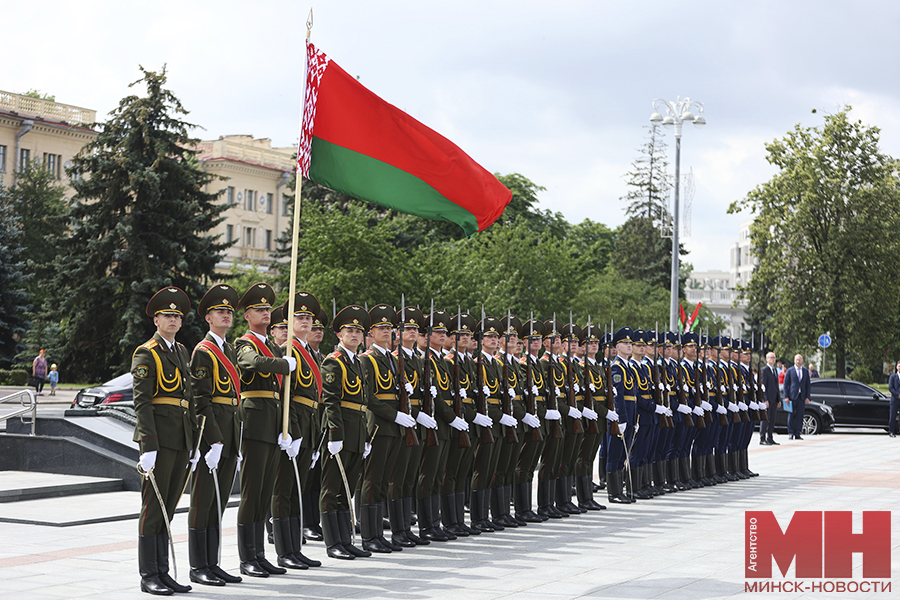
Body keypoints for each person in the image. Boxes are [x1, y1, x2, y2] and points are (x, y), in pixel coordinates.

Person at [132, 286, 197, 595]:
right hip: (158, 440)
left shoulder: (182, 351)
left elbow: (188, 399)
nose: (173, 320)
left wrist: (194, 442)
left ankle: (163, 571)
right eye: (167, 315)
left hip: (181, 439)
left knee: (168, 507)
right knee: (153, 509)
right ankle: (148, 575)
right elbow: (142, 402)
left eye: (177, 316)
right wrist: (148, 445)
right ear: (156, 320)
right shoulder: (147, 352)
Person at [234, 283, 296, 578]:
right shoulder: (244, 342)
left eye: (268, 309)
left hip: (272, 422)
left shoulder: (271, 345)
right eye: (259, 309)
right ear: (247, 315)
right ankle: (247, 557)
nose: (266, 313)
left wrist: (286, 428)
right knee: (251, 492)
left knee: (264, 492)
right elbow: (251, 363)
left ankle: (259, 554)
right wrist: (283, 363)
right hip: (255, 421)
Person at [188, 283, 243, 586]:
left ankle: (213, 562)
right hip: (213, 436)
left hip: (231, 432)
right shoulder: (204, 352)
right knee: (203, 502)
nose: (225, 315)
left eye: (228, 312)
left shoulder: (229, 350)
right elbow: (200, 400)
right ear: (208, 317)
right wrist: (214, 439)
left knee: (219, 502)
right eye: (219, 311)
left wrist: (235, 437)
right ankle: (198, 566)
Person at [320, 305, 372, 560]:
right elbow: (330, 400)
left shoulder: (358, 363)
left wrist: (365, 437)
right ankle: (333, 543)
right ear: (339, 335)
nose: (354, 335)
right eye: (349, 330)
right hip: (340, 433)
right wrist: (335, 434)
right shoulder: (334, 361)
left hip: (357, 431)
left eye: (358, 331)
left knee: (347, 488)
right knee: (332, 489)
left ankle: (346, 539)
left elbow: (362, 403)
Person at [782, 354, 810, 440]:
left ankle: (798, 433)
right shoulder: (790, 371)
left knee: (800, 415)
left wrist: (807, 397)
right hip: (791, 397)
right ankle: (790, 433)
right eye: (797, 360)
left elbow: (808, 385)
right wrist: (786, 396)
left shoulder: (805, 371)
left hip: (801, 397)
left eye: (800, 360)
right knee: (791, 415)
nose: (798, 361)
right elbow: (785, 385)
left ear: (802, 361)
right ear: (794, 360)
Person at [759, 351, 781, 445]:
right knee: (765, 419)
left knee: (772, 419)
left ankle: (770, 437)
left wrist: (778, 399)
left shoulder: (775, 370)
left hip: (774, 399)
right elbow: (763, 386)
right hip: (768, 399)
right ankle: (762, 438)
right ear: (767, 359)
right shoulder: (764, 370)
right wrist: (765, 399)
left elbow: (777, 386)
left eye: (774, 357)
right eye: (771, 357)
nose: (773, 359)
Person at [887, 361, 900, 438]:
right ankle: (891, 431)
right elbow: (890, 388)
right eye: (899, 366)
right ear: (896, 367)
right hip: (895, 399)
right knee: (893, 416)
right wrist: (897, 395)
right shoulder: (893, 377)